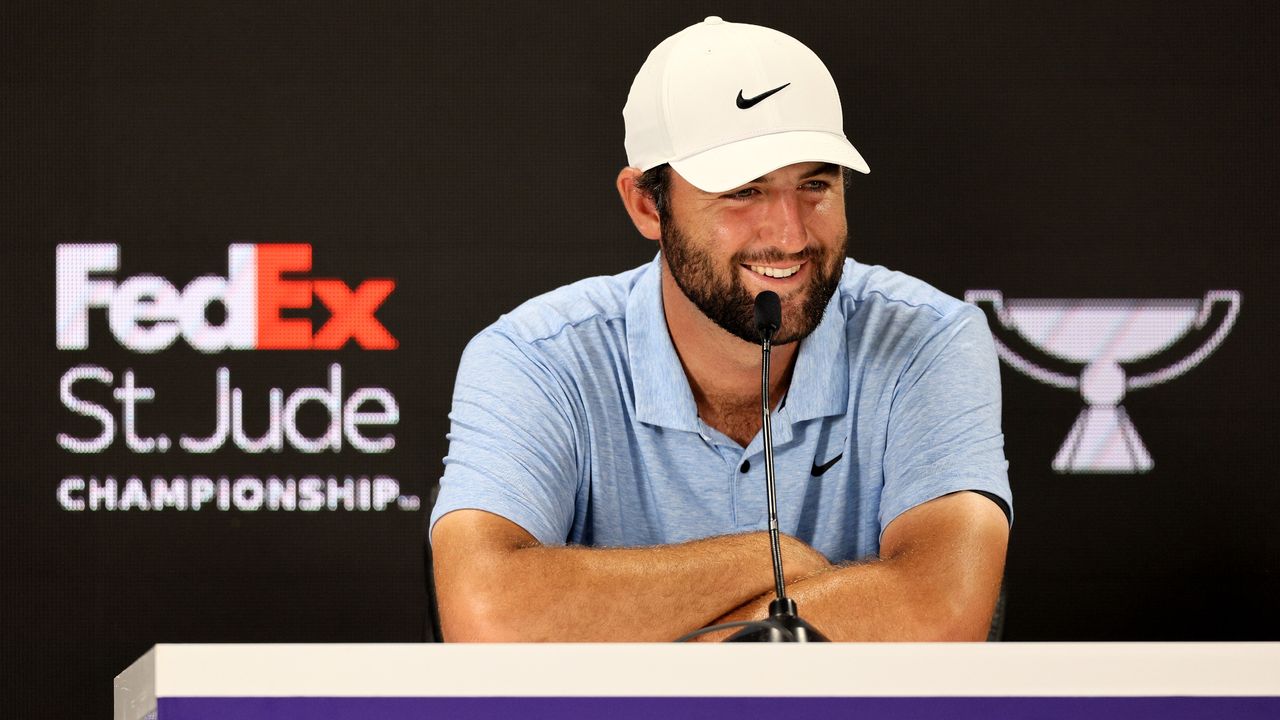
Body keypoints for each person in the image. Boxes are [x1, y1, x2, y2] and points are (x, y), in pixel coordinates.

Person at [429, 17, 1011, 642]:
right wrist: (771, 560)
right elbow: (486, 613)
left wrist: (675, 645)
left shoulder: (927, 340)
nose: (790, 234)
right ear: (647, 205)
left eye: (815, 184)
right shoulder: (534, 358)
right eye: (743, 191)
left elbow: (943, 612)